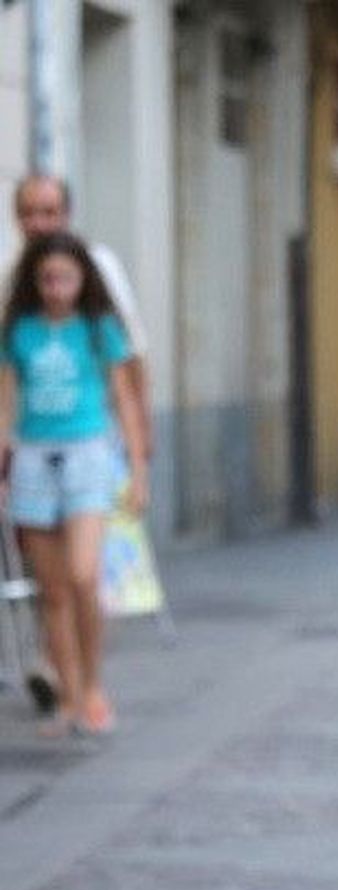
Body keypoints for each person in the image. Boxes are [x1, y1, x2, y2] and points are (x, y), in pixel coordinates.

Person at [12, 174, 156, 715]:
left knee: (83, 576)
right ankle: (65, 684)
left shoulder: (99, 274)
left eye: (49, 211)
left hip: (90, 450)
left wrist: (141, 448)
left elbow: (130, 361)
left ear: (67, 212)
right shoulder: (13, 283)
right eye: (28, 212)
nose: (38, 223)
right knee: (48, 587)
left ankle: (86, 683)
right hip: (31, 454)